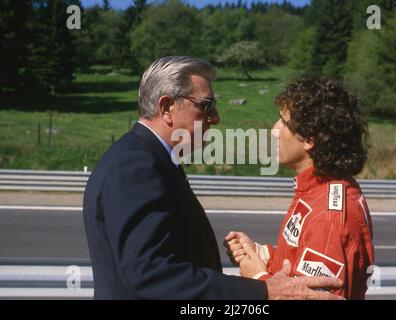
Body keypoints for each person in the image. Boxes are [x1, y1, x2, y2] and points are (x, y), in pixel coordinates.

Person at [83, 56, 344, 300]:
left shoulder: (148, 159)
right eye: (206, 107)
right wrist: (263, 290)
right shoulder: (136, 165)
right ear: (166, 108)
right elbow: (148, 272)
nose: (216, 118)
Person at [225, 77, 375, 300]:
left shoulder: (328, 217)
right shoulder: (317, 189)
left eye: (283, 123)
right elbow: (299, 268)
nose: (274, 131)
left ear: (309, 139)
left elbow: (309, 295)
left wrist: (258, 279)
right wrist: (262, 254)